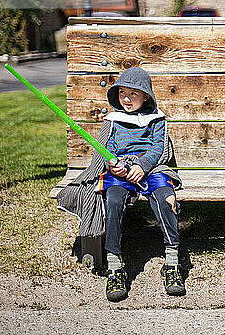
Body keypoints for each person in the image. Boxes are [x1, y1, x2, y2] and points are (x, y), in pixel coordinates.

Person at [57, 67, 184, 302]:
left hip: (151, 169)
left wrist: (143, 166)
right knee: (113, 200)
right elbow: (108, 148)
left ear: (146, 96)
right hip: (121, 171)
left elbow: (158, 148)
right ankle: (115, 266)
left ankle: (172, 262)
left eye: (133, 94)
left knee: (166, 199)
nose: (126, 99)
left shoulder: (156, 119)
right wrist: (112, 165)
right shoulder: (114, 120)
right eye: (122, 93)